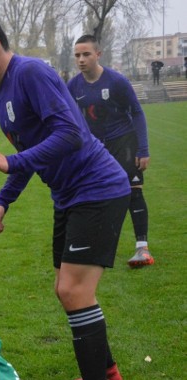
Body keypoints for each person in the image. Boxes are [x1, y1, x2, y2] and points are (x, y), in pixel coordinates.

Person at [0, 12, 130, 380]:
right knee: (66, 288)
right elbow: (35, 151)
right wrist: (3, 201)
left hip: (98, 189)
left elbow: (70, 134)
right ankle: (107, 374)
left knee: (74, 290)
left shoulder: (31, 73)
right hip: (69, 195)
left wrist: (9, 161)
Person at [68, 35, 154, 268]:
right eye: (77, 55)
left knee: (133, 191)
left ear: (98, 54)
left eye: (86, 54)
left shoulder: (116, 81)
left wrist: (143, 149)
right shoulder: (74, 86)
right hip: (96, 148)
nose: (81, 59)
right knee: (97, 194)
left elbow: (137, 113)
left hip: (124, 142)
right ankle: (99, 245)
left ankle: (142, 248)